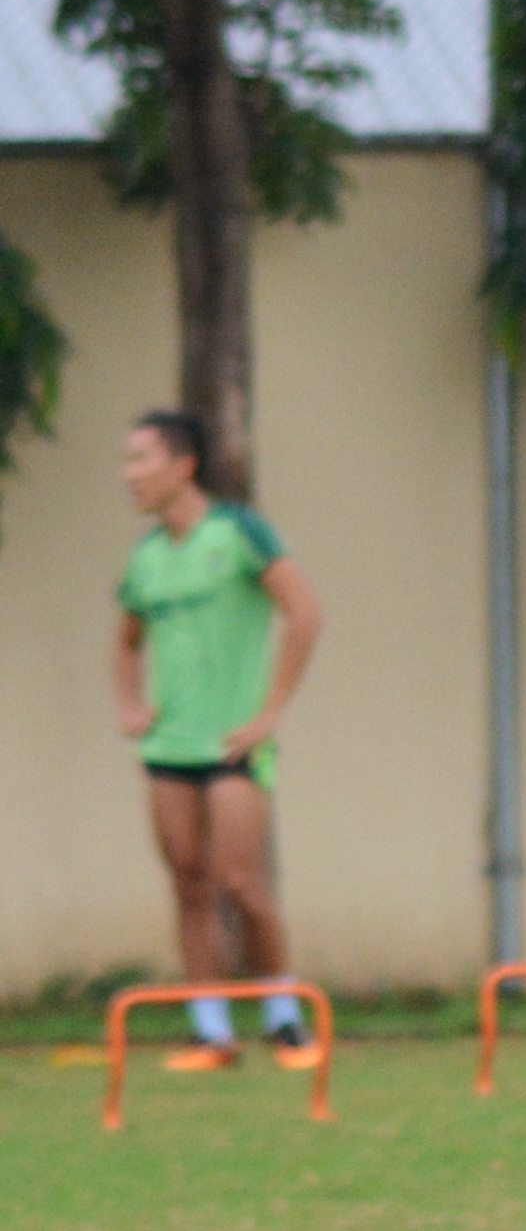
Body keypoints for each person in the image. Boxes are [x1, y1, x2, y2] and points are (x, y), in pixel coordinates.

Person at [112, 410, 326, 1070]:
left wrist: (269, 713)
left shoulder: (239, 532)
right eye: (125, 462)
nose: (129, 475)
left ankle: (285, 1020)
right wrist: (130, 703)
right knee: (188, 882)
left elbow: (305, 614)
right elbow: (125, 643)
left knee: (242, 883)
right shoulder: (146, 558)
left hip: (232, 743)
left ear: (183, 465)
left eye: (141, 460)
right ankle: (212, 1033)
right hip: (168, 749)